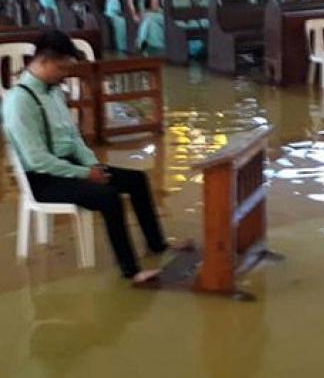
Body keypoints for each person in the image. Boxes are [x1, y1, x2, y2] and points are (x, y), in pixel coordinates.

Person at [1, 30, 190, 284]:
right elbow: (37, 160)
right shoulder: (19, 102)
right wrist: (84, 174)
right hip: (44, 179)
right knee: (109, 198)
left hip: (72, 165)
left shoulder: (54, 91)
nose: (65, 74)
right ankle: (132, 272)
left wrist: (92, 165)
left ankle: (158, 244)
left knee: (137, 180)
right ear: (44, 61)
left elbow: (73, 137)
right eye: (61, 67)